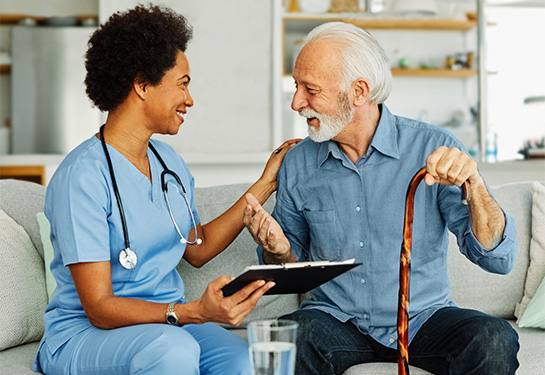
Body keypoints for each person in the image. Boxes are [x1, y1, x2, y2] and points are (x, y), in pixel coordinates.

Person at [33, 5, 299, 375]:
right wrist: (192, 312)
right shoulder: (82, 177)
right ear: (142, 85)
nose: (190, 100)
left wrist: (267, 182)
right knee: (172, 351)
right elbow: (99, 306)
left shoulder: (168, 163)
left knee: (243, 359)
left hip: (162, 326)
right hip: (85, 334)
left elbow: (198, 248)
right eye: (183, 84)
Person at [243, 22, 519, 375]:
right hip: (336, 321)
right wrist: (278, 252)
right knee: (297, 335)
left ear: (359, 91)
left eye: (310, 89)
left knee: (493, 339)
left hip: (423, 320)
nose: (297, 102)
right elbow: (291, 266)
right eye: (296, 87)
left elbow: (499, 259)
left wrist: (475, 185)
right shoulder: (297, 163)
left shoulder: (432, 147)